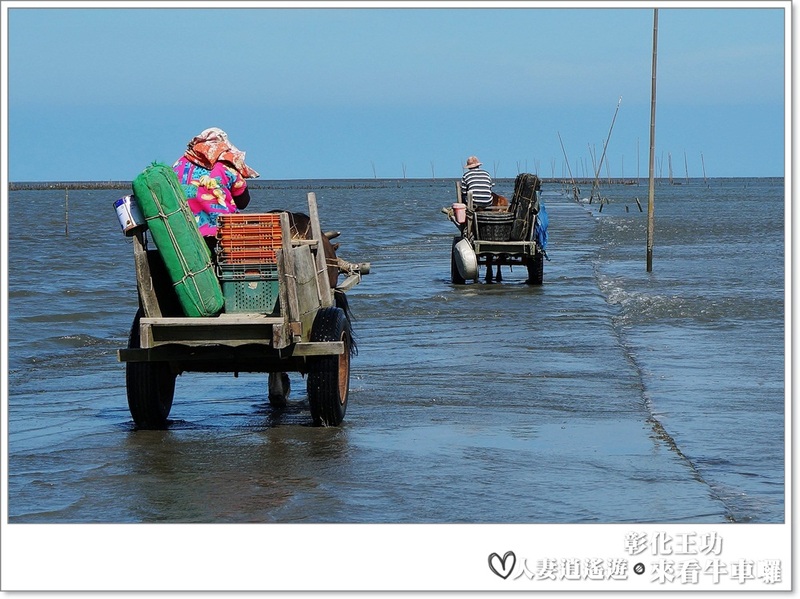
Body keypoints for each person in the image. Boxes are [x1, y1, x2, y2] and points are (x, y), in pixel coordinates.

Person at [172, 127, 260, 249]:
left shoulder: (178, 165)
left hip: (187, 233)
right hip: (223, 235)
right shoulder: (226, 165)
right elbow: (243, 202)